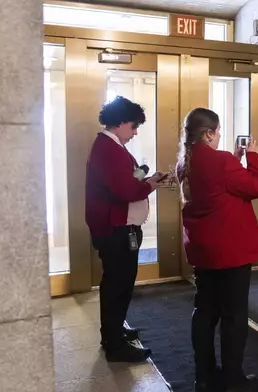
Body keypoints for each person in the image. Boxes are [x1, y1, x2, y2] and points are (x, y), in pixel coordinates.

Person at [175, 108, 258, 392]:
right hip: (230, 251)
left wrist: (235, 162)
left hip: (203, 251)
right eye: (217, 133)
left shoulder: (184, 164)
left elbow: (218, 187)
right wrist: (252, 156)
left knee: (205, 311)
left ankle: (203, 377)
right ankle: (233, 379)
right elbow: (255, 187)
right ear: (208, 133)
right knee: (234, 315)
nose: (218, 138)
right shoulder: (222, 161)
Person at [85, 96, 166, 363]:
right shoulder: (109, 149)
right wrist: (151, 185)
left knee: (118, 283)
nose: (135, 132)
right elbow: (125, 190)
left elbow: (127, 181)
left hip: (118, 226)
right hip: (115, 229)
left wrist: (147, 179)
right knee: (118, 284)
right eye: (133, 126)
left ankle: (115, 329)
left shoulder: (110, 146)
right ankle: (114, 343)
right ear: (120, 123)